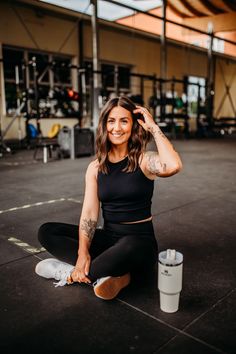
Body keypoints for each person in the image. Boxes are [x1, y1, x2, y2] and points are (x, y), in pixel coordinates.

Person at [35, 96, 183, 300]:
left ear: (133, 125)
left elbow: (173, 165)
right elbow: (89, 213)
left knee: (129, 246)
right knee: (47, 231)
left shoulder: (144, 160)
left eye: (124, 120)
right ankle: (112, 274)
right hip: (109, 238)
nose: (117, 127)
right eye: (111, 121)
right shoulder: (95, 168)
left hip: (139, 243)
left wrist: (153, 128)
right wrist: (82, 253)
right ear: (105, 125)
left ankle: (70, 273)